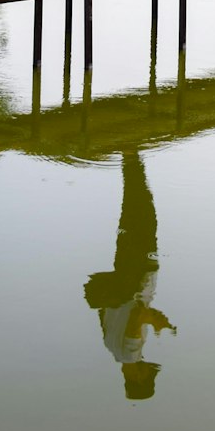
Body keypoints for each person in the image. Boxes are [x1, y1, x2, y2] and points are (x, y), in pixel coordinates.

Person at [84, 151, 175, 400]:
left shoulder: (131, 353)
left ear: (135, 377)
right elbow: (107, 308)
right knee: (132, 211)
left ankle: (131, 157)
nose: (148, 366)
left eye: (147, 373)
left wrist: (156, 320)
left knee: (144, 213)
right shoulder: (111, 348)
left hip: (137, 271)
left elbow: (136, 313)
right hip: (125, 269)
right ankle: (131, 159)